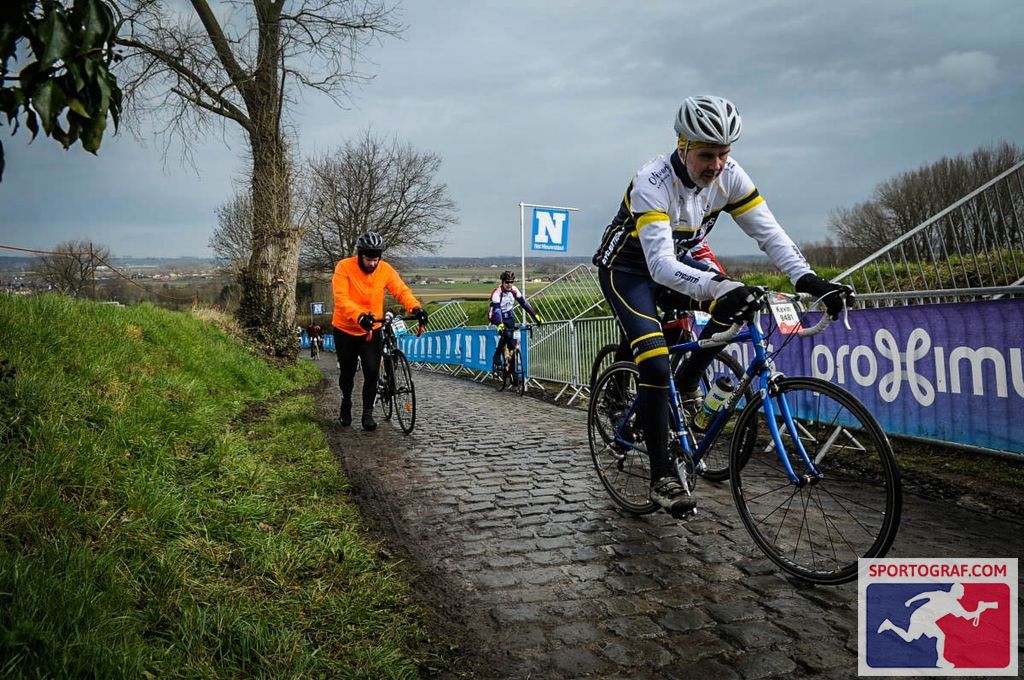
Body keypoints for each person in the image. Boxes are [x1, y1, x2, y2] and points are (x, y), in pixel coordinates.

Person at [592, 95, 854, 515]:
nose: (716, 165)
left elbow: (769, 233)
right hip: (629, 271)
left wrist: (808, 279)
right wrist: (717, 286)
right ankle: (661, 477)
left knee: (737, 303)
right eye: (706, 155)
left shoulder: (730, 176)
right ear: (682, 146)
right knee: (655, 363)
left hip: (678, 262)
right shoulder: (653, 182)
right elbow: (659, 266)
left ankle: (687, 382)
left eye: (724, 154)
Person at [332, 231, 428, 430]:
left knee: (372, 371)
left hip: (372, 327)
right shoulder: (344, 267)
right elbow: (341, 299)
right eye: (368, 259)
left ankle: (368, 414)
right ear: (360, 255)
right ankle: (346, 402)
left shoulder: (385, 269)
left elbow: (401, 290)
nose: (372, 264)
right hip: (346, 328)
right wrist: (359, 315)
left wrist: (416, 308)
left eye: (376, 259)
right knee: (348, 372)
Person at [488, 270, 542, 375]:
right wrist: (500, 324)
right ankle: (497, 355)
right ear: (502, 282)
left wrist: (535, 316)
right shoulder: (497, 293)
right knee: (506, 334)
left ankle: (511, 368)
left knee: (512, 341)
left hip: (508, 315)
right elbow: (497, 310)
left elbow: (524, 303)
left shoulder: (514, 290)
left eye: (511, 282)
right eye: (507, 282)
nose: (509, 284)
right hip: (496, 315)